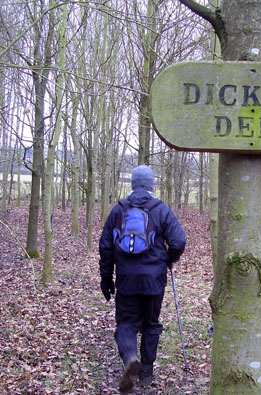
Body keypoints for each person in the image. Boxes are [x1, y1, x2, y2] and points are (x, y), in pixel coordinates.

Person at [99, 165, 186, 393]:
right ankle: (146, 372)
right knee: (151, 324)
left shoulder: (119, 209)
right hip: (154, 280)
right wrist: (168, 259)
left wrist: (106, 278)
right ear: (151, 185)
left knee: (126, 324)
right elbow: (178, 241)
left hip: (126, 279)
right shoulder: (161, 209)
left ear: (133, 184)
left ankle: (130, 357)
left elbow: (105, 246)